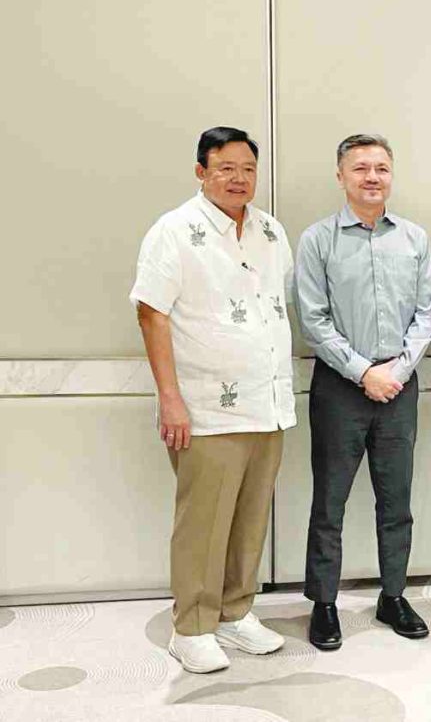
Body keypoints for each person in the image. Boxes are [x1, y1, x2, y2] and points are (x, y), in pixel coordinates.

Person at [131, 127, 294, 673]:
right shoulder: (174, 231)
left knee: (250, 517)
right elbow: (151, 312)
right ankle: (192, 626)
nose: (239, 178)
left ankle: (233, 611)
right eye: (226, 168)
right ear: (201, 172)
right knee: (203, 522)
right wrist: (170, 398)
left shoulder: (271, 230)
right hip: (206, 407)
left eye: (248, 168)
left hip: (267, 401)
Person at [294, 134, 431, 649]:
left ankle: (392, 596)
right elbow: (313, 319)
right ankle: (324, 603)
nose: (371, 177)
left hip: (400, 385)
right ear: (341, 176)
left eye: (380, 168)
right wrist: (363, 372)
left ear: (391, 175)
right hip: (340, 387)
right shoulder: (317, 240)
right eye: (360, 168)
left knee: (396, 500)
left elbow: (427, 315)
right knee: (330, 501)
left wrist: (396, 370)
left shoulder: (415, 239)